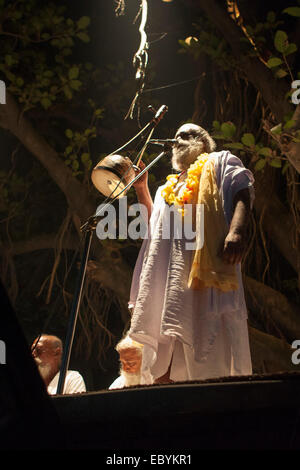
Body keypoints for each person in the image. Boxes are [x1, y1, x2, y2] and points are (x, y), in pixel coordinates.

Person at [128, 122, 254, 384]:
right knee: (164, 350)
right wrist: (141, 189)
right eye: (175, 137)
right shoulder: (166, 189)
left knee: (209, 345)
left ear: (204, 143)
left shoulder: (220, 162)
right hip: (169, 280)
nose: (178, 140)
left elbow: (242, 190)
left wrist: (237, 231)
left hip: (205, 273)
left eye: (186, 135)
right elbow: (152, 230)